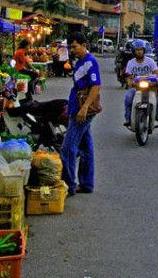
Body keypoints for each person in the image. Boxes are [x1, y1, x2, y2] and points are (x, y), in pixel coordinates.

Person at [61, 32, 102, 196]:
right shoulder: (79, 62)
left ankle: (69, 185)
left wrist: (84, 108)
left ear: (84, 45)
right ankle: (86, 184)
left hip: (82, 110)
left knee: (67, 148)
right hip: (76, 107)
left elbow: (96, 86)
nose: (72, 50)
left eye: (75, 46)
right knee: (85, 149)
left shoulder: (90, 62)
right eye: (70, 47)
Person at [123, 39, 158, 127]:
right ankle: (128, 118)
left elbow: (157, 73)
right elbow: (128, 76)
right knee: (128, 98)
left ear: (144, 51)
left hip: (151, 87)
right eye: (137, 50)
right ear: (134, 51)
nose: (139, 52)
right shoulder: (131, 63)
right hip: (136, 87)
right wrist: (129, 82)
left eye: (141, 50)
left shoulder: (150, 61)